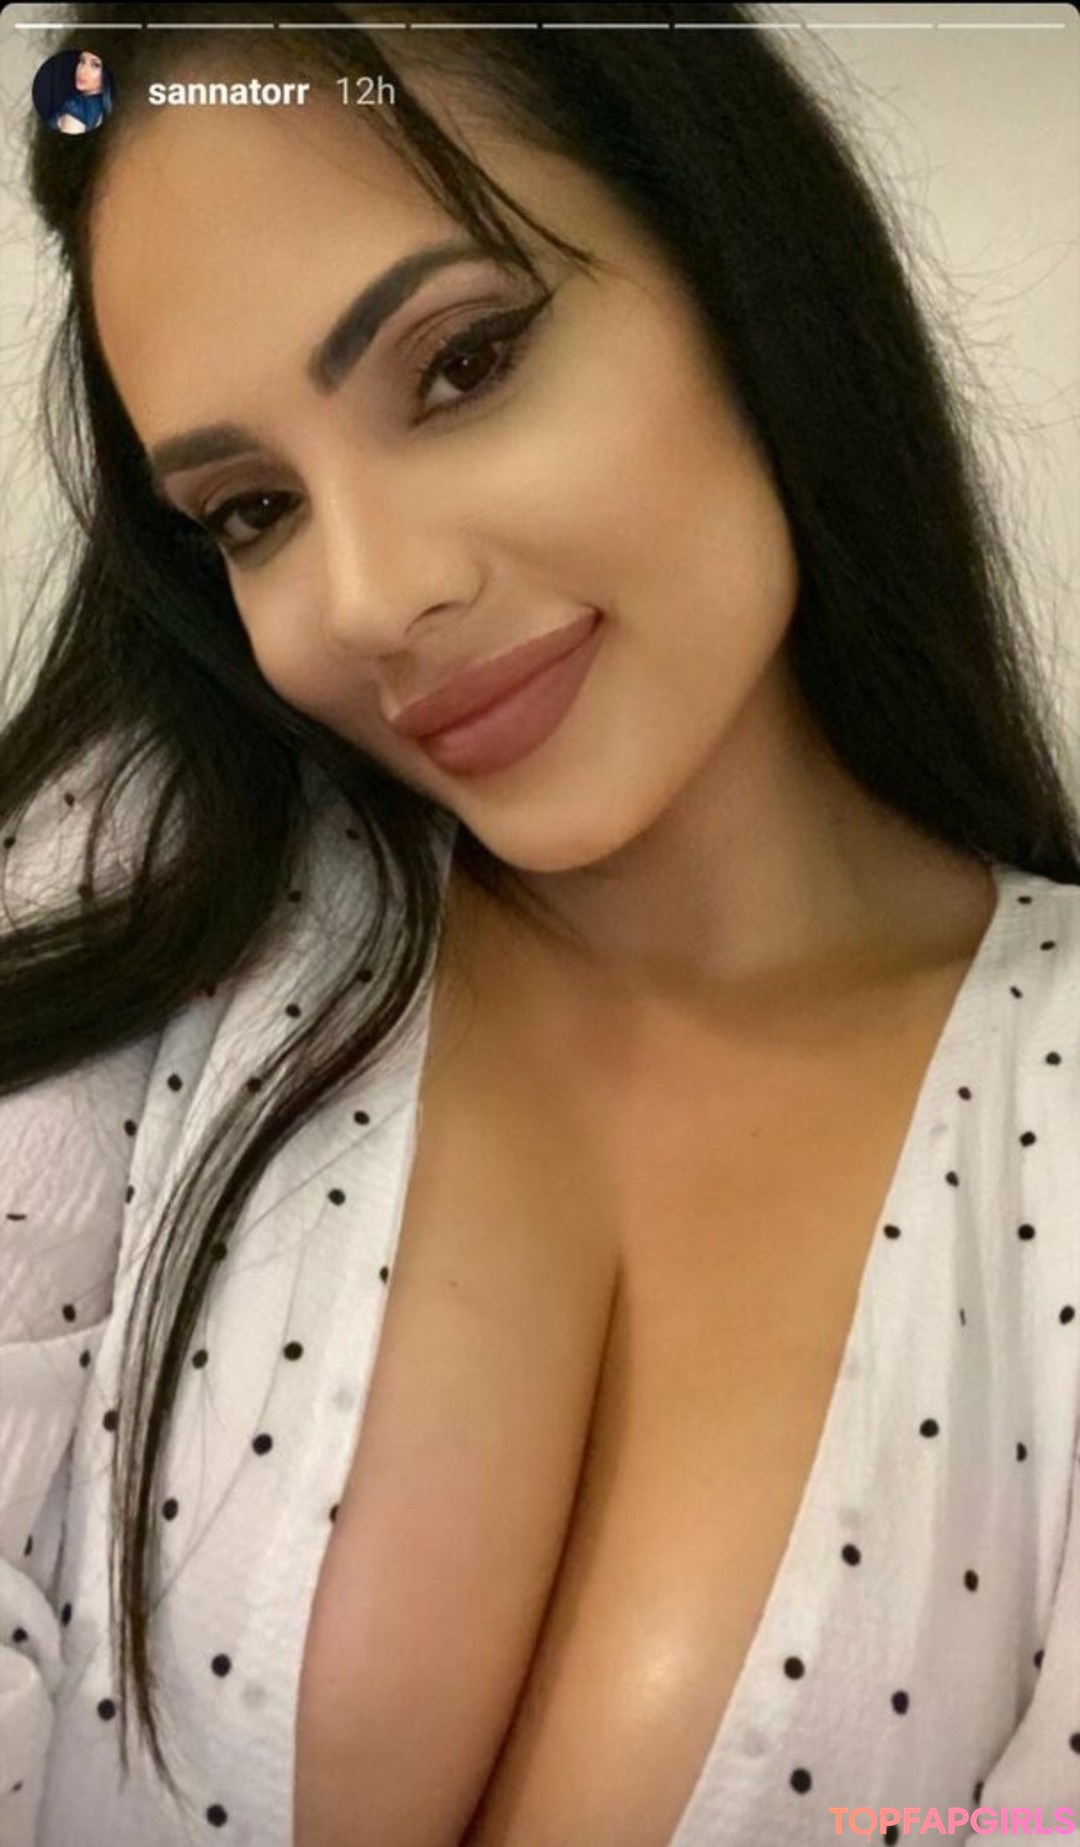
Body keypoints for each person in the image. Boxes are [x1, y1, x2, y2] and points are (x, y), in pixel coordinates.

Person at [1, 4, 1078, 1844]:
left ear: (742, 267)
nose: (369, 598)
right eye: (252, 510)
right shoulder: (167, 876)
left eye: (463, 362)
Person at [48, 49, 112, 136]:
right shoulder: (105, 103)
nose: (83, 70)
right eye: (82, 61)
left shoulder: (77, 106)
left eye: (95, 65)